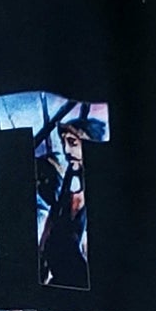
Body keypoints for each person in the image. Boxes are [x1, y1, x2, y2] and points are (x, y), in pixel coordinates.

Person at [36, 110, 103, 287]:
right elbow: (45, 248)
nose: (66, 151)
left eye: (72, 143)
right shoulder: (62, 202)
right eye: (63, 143)